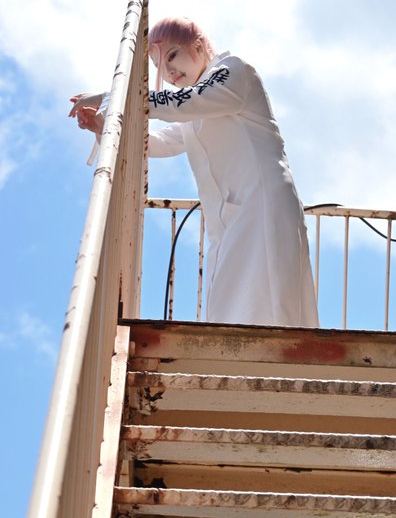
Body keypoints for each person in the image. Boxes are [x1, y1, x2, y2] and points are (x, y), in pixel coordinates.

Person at [69, 17, 319, 328]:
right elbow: (160, 142)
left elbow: (184, 103)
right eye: (159, 67)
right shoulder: (194, 105)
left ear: (198, 46)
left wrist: (113, 97)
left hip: (262, 206)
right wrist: (102, 124)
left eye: (173, 55)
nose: (168, 72)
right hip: (229, 221)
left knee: (268, 307)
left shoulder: (233, 71)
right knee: (230, 311)